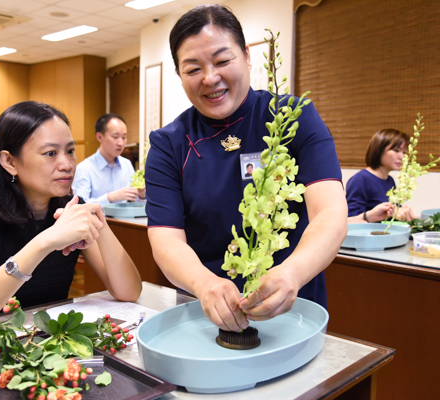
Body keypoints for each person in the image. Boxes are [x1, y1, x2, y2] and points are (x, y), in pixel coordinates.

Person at [145, 4, 348, 333]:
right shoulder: (169, 144)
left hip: (291, 312)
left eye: (223, 61)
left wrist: (292, 273)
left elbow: (330, 213)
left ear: (247, 55)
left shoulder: (293, 118)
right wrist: (203, 284)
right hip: (206, 316)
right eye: (193, 68)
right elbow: (165, 241)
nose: (211, 78)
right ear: (179, 75)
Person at [0, 101, 142, 337]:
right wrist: (43, 242)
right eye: (50, 154)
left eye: (70, 151)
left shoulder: (71, 209)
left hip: (53, 345)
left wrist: (100, 222)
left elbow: (129, 292)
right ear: (10, 162)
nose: (66, 165)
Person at [71, 113, 145, 208]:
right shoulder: (84, 168)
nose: (121, 143)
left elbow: (134, 200)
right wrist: (110, 197)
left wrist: (141, 195)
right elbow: (79, 206)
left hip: (125, 221)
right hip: (95, 222)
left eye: (124, 137)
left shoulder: (126, 164)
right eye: (115, 137)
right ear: (99, 137)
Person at [346, 128, 415, 223]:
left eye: (404, 152)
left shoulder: (389, 180)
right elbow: (351, 218)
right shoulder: (361, 179)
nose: (402, 157)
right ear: (379, 150)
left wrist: (400, 211)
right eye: (396, 150)